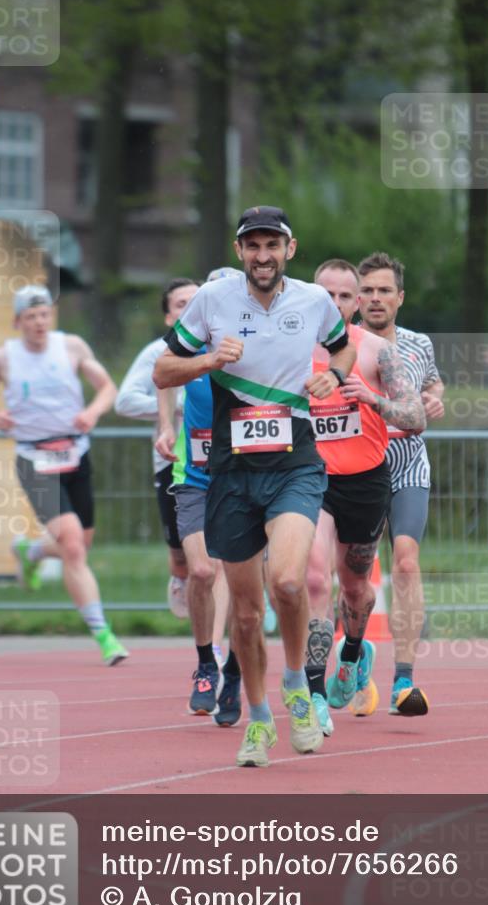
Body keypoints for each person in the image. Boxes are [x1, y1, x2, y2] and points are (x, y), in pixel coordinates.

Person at [154, 205, 357, 767]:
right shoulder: (212, 302)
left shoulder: (313, 302)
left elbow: (344, 346)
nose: (262, 256)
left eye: (273, 245)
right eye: (253, 246)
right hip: (232, 474)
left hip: (295, 464)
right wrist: (206, 361)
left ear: (290, 249)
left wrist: (333, 376)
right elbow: (162, 371)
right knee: (245, 614)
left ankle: (297, 685)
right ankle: (260, 721)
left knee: (290, 583)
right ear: (240, 251)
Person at [0, 284, 128, 666]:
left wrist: (92, 413)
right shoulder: (3, 358)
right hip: (33, 458)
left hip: (75, 453)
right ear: (17, 321)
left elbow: (107, 387)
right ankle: (104, 635)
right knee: (73, 544)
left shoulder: (71, 347)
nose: (39, 322)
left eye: (44, 315)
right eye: (31, 316)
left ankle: (31, 550)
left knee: (80, 545)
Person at [306, 260, 426, 736]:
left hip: (365, 480)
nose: (334, 305)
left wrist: (374, 400)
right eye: (325, 297)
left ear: (357, 304)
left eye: (344, 297)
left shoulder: (376, 350)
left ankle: (354, 651)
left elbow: (415, 415)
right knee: (315, 578)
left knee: (354, 587)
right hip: (310, 480)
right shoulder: (290, 351)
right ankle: (313, 693)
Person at [356, 251, 445, 715]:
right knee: (354, 577)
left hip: (407, 460)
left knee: (406, 563)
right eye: (367, 290)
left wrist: (433, 399)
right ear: (355, 298)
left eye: (383, 290)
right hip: (357, 465)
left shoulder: (417, 343)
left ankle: (404, 680)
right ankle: (353, 653)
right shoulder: (341, 346)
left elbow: (434, 384)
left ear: (400, 297)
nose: (375, 298)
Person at [155, 326, 241, 725]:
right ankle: (207, 663)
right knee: (203, 570)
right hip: (195, 478)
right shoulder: (194, 352)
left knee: (245, 583)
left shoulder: (254, 351)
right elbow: (162, 374)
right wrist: (166, 425)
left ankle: (236, 674)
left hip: (246, 479)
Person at [115, 278, 199, 619]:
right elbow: (124, 401)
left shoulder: (221, 346)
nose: (190, 308)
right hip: (172, 460)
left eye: (196, 301)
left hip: (216, 459)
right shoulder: (157, 352)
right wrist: (179, 405)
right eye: (181, 304)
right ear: (168, 317)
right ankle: (180, 576)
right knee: (180, 551)